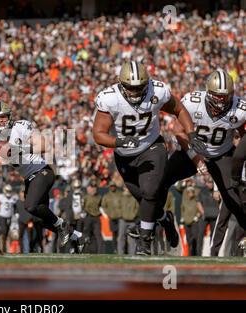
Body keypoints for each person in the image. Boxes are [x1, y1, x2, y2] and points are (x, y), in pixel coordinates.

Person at [93, 61, 205, 255]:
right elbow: (98, 133)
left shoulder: (157, 91)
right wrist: (119, 142)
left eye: (139, 87)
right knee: (145, 198)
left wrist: (191, 132)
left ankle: (145, 241)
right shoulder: (110, 98)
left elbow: (179, 109)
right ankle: (165, 220)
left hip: (152, 146)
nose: (135, 92)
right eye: (130, 87)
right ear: (121, 85)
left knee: (150, 191)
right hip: (124, 155)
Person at [0, 100, 85, 252]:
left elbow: (44, 146)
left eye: (4, 116)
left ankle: (63, 225)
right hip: (29, 178)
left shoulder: (21, 126)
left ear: (9, 116)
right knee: (42, 220)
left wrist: (19, 149)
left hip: (42, 171)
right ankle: (77, 237)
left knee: (30, 206)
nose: (1, 120)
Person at [172, 70, 246, 253]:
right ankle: (155, 222)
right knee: (161, 179)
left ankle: (242, 238)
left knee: (235, 198)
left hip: (222, 154)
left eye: (225, 96)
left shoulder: (239, 109)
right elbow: (178, 132)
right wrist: (195, 159)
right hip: (191, 151)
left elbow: (244, 138)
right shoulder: (193, 102)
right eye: (217, 96)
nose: (221, 101)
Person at [196, 177, 219, 256]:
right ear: (206, 183)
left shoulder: (216, 191)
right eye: (209, 182)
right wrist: (203, 213)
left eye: (211, 182)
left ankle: (213, 254)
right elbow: (198, 202)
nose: (210, 184)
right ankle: (198, 254)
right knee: (200, 235)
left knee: (213, 237)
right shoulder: (202, 191)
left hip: (214, 216)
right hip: (204, 217)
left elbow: (221, 202)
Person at [0, 184, 18, 252]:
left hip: (9, 217)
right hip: (2, 216)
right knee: (3, 231)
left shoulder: (14, 197)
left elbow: (15, 206)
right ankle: (0, 246)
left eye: (10, 191)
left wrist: (16, 213)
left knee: (6, 233)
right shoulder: (1, 196)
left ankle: (2, 247)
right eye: (7, 190)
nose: (8, 192)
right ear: (4, 190)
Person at [101, 181, 123, 253]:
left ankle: (121, 249)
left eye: (113, 186)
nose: (112, 187)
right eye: (111, 186)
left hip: (120, 217)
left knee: (121, 234)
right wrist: (109, 213)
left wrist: (121, 212)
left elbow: (124, 203)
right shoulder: (107, 195)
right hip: (112, 217)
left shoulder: (120, 194)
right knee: (114, 234)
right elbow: (103, 206)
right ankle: (115, 249)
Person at [82, 180, 104, 254]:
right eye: (92, 187)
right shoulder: (85, 197)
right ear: (89, 188)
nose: (93, 189)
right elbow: (82, 207)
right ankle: (86, 251)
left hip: (96, 217)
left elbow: (102, 206)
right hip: (87, 217)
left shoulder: (99, 197)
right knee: (86, 235)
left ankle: (100, 252)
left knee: (98, 235)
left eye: (95, 187)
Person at [180, 186, 201, 256]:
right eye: (189, 192)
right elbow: (182, 209)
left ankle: (196, 253)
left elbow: (199, 210)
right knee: (188, 239)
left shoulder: (196, 200)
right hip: (186, 221)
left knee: (195, 238)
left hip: (194, 221)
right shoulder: (185, 200)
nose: (190, 193)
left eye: (192, 192)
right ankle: (190, 253)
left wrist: (197, 217)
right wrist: (182, 217)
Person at [118, 185, 138, 254]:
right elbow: (118, 207)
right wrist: (121, 214)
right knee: (121, 238)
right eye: (126, 188)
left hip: (132, 221)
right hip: (123, 220)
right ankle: (120, 253)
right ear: (124, 188)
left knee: (132, 238)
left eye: (128, 188)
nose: (127, 189)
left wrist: (133, 215)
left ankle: (132, 254)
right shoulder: (121, 197)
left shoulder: (134, 197)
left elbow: (137, 208)